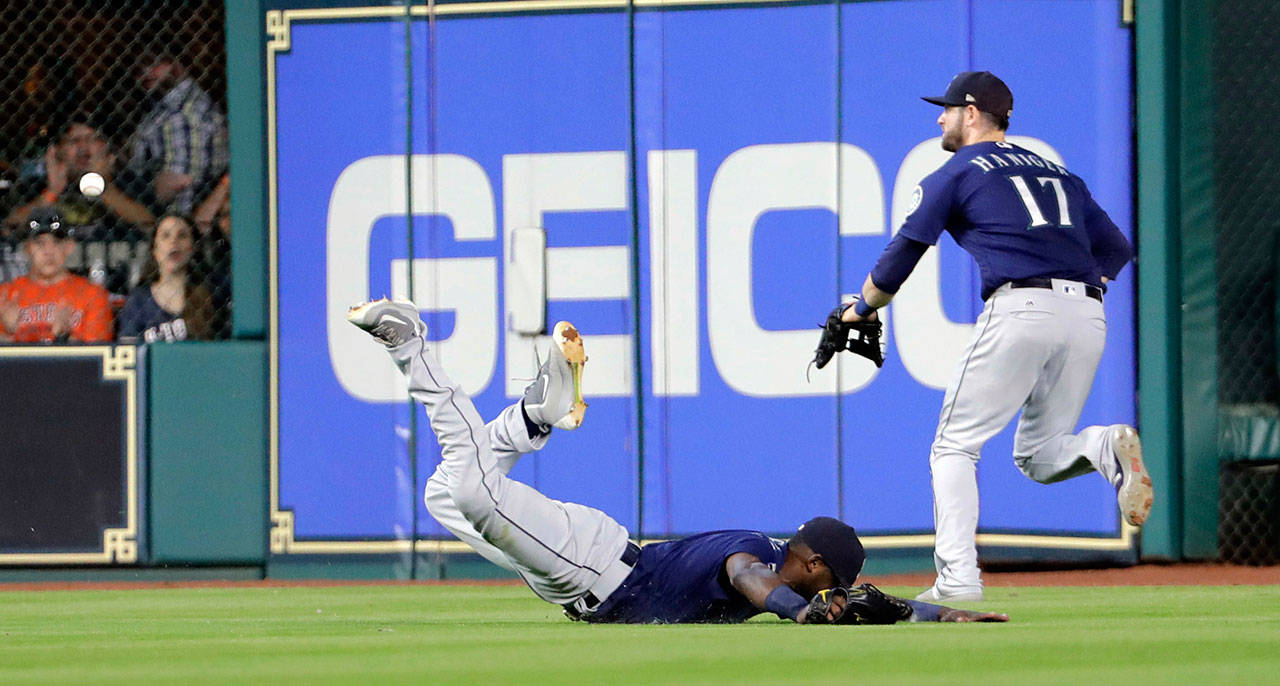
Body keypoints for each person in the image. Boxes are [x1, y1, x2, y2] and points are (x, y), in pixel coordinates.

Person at [347, 298, 1008, 625]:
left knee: (445, 492)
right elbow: (752, 581)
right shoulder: (757, 558)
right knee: (465, 488)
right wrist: (798, 612)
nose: (823, 590)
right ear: (810, 565)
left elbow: (863, 601)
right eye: (824, 581)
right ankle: (411, 344)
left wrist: (934, 612)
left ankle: (534, 416)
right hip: (596, 567)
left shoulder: (788, 556)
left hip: (593, 565)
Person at [836, 72, 1153, 603]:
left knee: (954, 447)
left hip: (1022, 307)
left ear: (973, 113)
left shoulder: (956, 171)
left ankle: (958, 579)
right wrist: (1083, 286)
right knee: (1041, 456)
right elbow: (1116, 247)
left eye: (947, 109)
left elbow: (903, 253)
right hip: (1088, 315)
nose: (940, 118)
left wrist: (859, 306)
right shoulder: (1058, 173)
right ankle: (1103, 444)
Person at [4, 116, 155, 236]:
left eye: (92, 138)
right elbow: (8, 227)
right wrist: (51, 192)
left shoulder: (128, 182)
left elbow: (149, 224)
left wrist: (103, 187)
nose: (83, 147)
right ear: (56, 151)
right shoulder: (33, 186)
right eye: (74, 140)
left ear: (108, 149)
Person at [127, 51, 229, 214]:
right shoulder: (163, 106)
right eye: (138, 68)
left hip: (180, 218)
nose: (146, 72)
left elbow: (182, 183)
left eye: (154, 64)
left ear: (178, 62)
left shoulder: (184, 112)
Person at [0, 207, 112, 343]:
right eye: (39, 243)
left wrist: (63, 338)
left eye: (56, 242)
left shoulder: (93, 295)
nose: (48, 251)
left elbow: (97, 356)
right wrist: (8, 334)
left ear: (69, 246)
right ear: (27, 248)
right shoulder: (7, 295)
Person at [117, 213, 216, 342]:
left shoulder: (211, 293)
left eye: (182, 235)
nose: (173, 242)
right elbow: (128, 350)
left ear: (193, 248)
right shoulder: (138, 301)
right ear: (155, 250)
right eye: (166, 235)